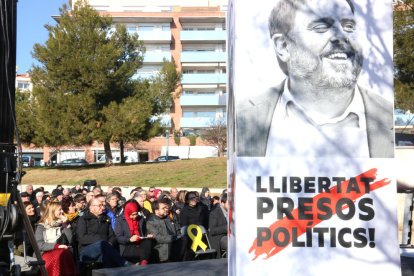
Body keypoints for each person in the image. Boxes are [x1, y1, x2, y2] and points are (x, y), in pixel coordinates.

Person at [236, 0, 394, 158]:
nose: (342, 36)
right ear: (283, 46)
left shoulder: (386, 115)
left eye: (349, 27)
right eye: (321, 28)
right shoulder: (246, 116)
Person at [76, 198, 126, 268]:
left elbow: (112, 235)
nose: (103, 207)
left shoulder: (105, 219)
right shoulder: (83, 219)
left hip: (105, 247)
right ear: (91, 207)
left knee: (105, 256)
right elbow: (82, 238)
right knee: (102, 245)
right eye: (100, 205)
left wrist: (110, 243)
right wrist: (101, 240)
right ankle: (124, 263)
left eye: (103, 205)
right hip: (86, 249)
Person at [35, 202, 77, 276]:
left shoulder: (62, 224)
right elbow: (39, 245)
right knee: (61, 254)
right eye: (59, 210)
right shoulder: (41, 226)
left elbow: (70, 241)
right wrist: (57, 246)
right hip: (45, 253)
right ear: (52, 212)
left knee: (64, 253)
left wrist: (65, 224)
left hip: (62, 252)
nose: (62, 212)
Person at [114, 201, 154, 265]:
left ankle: (143, 262)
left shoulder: (140, 219)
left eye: (136, 214)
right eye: (132, 214)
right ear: (127, 212)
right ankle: (143, 262)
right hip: (127, 246)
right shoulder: (120, 221)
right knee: (143, 251)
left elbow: (144, 232)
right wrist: (129, 239)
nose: (135, 216)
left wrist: (147, 235)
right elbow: (118, 237)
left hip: (139, 243)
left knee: (148, 242)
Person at [208, 193, 228, 258]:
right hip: (219, 237)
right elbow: (212, 230)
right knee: (231, 244)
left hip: (231, 236)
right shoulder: (214, 213)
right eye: (229, 203)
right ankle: (228, 264)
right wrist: (226, 228)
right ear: (222, 203)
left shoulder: (233, 212)